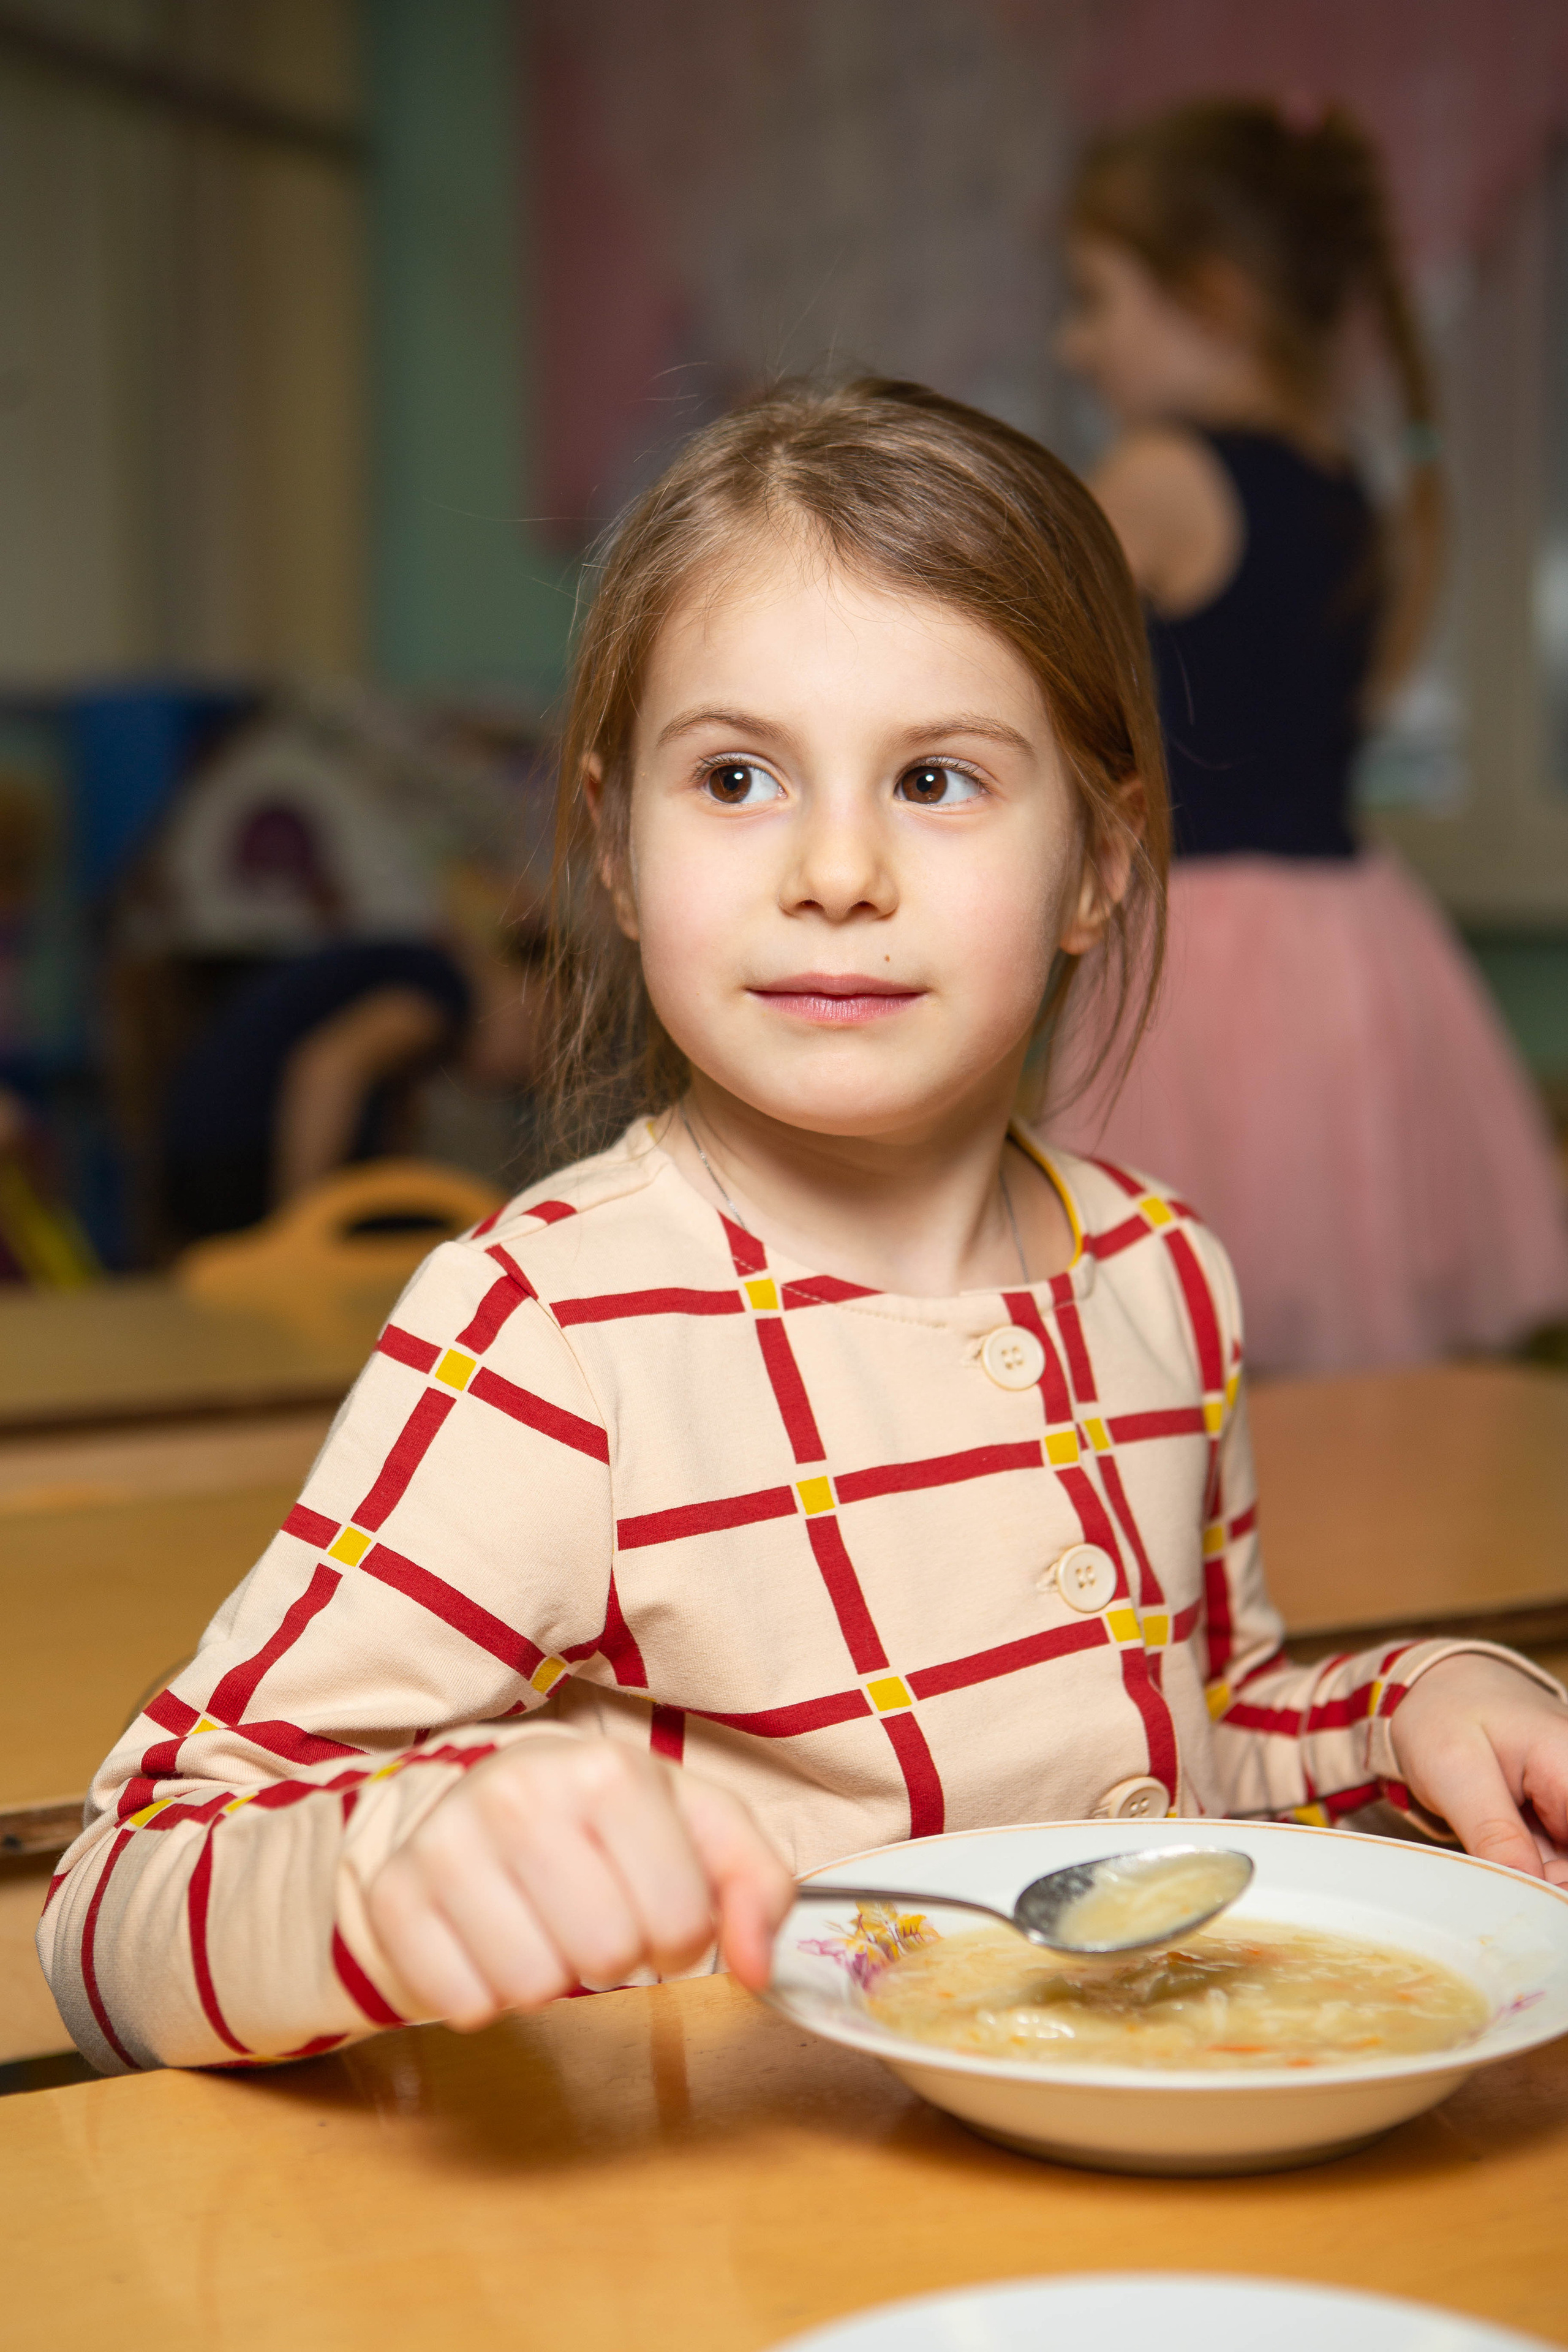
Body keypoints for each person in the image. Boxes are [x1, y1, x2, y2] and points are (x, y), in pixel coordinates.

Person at [39, 382, 1568, 2075]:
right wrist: (378, 1878)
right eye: (737, 775)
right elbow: (116, 1908)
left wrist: (1408, 1708)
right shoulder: (553, 1335)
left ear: (1097, 863)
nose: (836, 870)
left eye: (936, 777)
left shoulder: (1159, 1274)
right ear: (616, 850)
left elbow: (1188, 1753)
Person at [1052, 99, 1568, 1374]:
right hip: (1352, 944)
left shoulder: (1160, 479)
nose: (1075, 344)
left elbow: (1002, 651)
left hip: (1210, 956)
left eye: (1097, 300)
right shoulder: (1345, 486)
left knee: (1181, 1346)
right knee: (1335, 1345)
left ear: (1213, 301)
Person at [160, 873, 548, 1242]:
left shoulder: (424, 1000)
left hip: (210, 1154)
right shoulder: (439, 989)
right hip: (236, 1157)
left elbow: (392, 1150)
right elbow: (326, 1071)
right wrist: (301, 1236)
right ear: (522, 978)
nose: (531, 1067)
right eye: (542, 1031)